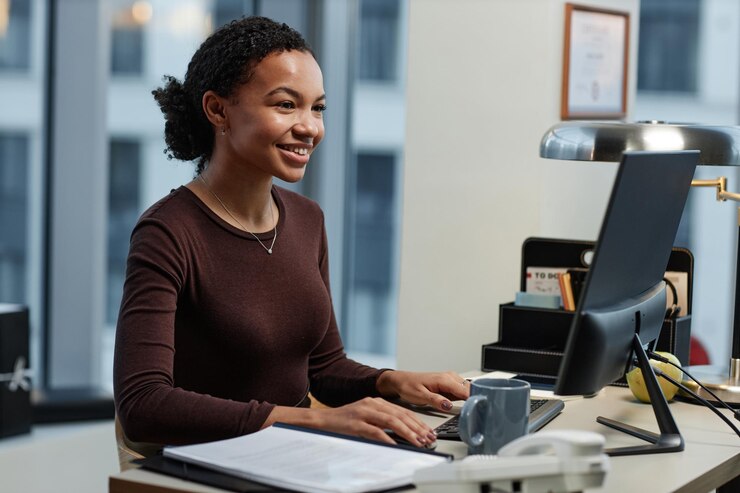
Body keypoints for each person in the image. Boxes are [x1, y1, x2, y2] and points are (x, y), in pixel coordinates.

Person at [113, 16, 469, 452]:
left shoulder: (307, 218)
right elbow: (142, 406)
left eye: (317, 107)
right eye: (286, 105)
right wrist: (311, 421)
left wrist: (391, 381)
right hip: (210, 462)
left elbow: (323, 367)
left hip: (296, 454)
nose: (310, 127)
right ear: (217, 109)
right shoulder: (167, 232)